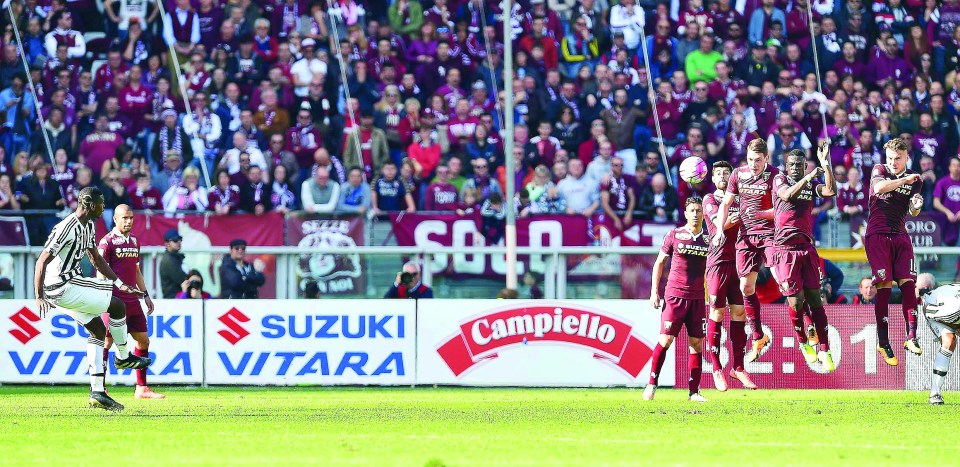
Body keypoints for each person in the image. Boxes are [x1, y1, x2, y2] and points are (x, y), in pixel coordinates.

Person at [34, 187, 151, 411]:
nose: (103, 207)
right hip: (62, 284)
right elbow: (41, 261)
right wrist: (39, 296)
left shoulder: (89, 225)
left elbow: (96, 259)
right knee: (117, 305)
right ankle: (124, 357)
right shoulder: (66, 227)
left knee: (98, 330)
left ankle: (97, 391)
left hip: (66, 285)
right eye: (100, 203)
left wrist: (120, 283)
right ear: (88, 204)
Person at [772, 146, 837, 372]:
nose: (796, 168)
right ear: (787, 166)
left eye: (800, 165)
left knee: (816, 300)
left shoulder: (810, 185)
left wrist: (825, 164)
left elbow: (830, 191)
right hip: (785, 249)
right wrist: (810, 175)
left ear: (804, 164)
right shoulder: (779, 180)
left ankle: (825, 349)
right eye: (793, 165)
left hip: (807, 248)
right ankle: (803, 343)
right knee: (796, 302)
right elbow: (787, 195)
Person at [712, 139, 778, 364]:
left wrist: (757, 214)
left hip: (769, 234)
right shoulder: (738, 175)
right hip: (746, 236)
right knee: (745, 286)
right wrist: (720, 229)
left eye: (758, 160)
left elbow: (779, 209)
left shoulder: (775, 176)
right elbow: (725, 203)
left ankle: (810, 328)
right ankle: (758, 335)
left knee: (782, 279)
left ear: (766, 159)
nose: (753, 164)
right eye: (750, 160)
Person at [866, 138, 924, 366]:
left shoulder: (914, 179)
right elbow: (879, 188)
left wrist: (916, 205)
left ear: (906, 157)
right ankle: (883, 341)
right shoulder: (880, 170)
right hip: (877, 235)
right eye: (890, 158)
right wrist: (903, 179)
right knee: (885, 286)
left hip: (900, 234)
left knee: (909, 284)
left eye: (898, 158)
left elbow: (914, 210)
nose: (893, 162)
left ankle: (911, 337)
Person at [645, 197, 709, 403]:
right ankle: (651, 384)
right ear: (686, 213)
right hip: (675, 296)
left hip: (698, 297)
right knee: (666, 340)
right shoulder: (674, 235)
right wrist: (655, 291)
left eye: (699, 210)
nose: (696, 214)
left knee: (696, 344)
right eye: (692, 210)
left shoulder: (709, 239)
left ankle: (694, 392)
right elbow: (659, 262)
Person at [97, 205, 163, 399]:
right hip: (114, 301)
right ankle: (100, 386)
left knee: (143, 340)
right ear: (116, 219)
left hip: (133, 300)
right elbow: (101, 271)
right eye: (125, 218)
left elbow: (136, 271)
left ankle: (141, 388)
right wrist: (103, 297)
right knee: (106, 342)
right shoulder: (107, 242)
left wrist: (145, 295)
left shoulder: (134, 241)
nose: (128, 221)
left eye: (131, 218)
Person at [702, 161, 755, 391]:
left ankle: (738, 368)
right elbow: (720, 223)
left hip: (739, 260)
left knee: (739, 313)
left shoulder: (739, 199)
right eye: (719, 173)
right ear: (713, 179)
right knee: (716, 311)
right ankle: (716, 368)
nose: (723, 176)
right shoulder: (710, 200)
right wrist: (746, 215)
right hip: (718, 262)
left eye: (727, 173)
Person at [920, 282, 960, 405]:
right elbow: (929, 311)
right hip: (933, 308)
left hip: (950, 305)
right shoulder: (952, 310)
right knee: (949, 341)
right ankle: (934, 393)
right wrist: (956, 327)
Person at [158, 229, 187, 299]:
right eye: (175, 240)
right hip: (173, 300)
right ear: (167, 243)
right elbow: (182, 279)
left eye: (180, 239)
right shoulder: (169, 260)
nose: (179, 242)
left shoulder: (174, 258)